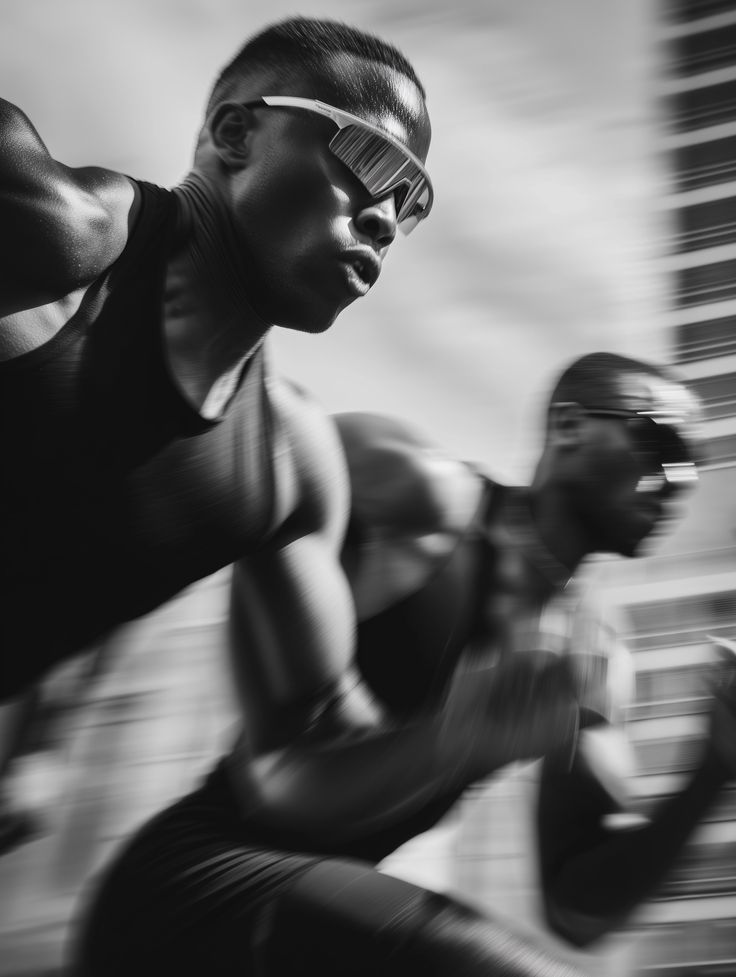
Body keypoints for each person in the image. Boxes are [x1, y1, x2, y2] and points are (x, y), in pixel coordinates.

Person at [72, 352, 736, 976]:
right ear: (569, 425)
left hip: (317, 928)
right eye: (658, 442)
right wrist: (453, 739)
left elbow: (577, 909)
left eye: (694, 466)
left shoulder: (593, 654)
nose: (678, 483)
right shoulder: (405, 492)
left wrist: (715, 767)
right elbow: (277, 777)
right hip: (190, 890)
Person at [0, 16, 434, 702]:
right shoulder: (49, 234)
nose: (386, 218)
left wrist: (459, 737)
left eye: (411, 200)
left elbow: (309, 735)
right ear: (236, 135)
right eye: (369, 158)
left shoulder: (288, 472)